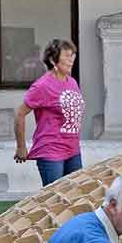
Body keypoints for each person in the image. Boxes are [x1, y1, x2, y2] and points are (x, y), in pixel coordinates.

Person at [14, 39, 85, 186]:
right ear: (53, 60)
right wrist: (21, 147)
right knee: (56, 201)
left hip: (73, 150)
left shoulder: (72, 82)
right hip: (50, 151)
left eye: (72, 55)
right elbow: (20, 114)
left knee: (75, 198)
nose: (71, 59)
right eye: (66, 56)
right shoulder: (42, 86)